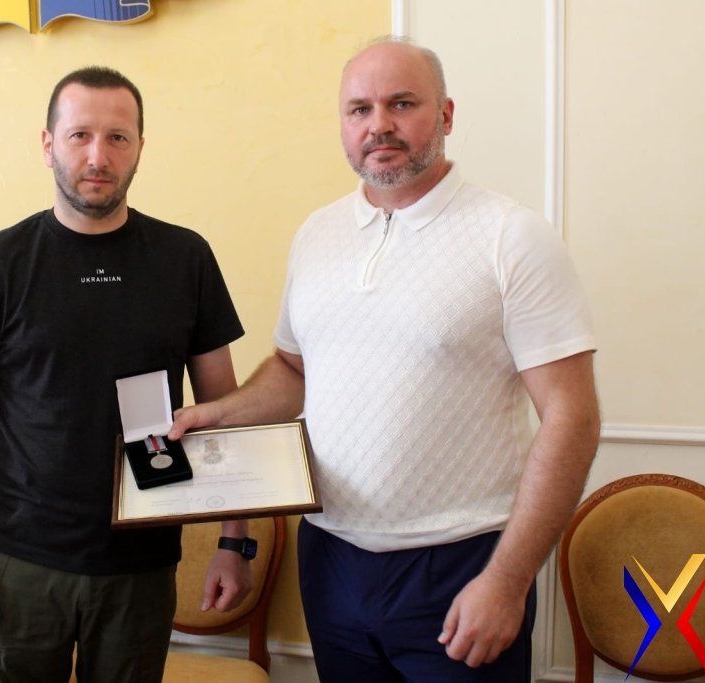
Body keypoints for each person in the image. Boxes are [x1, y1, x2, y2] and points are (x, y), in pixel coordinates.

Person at [169, 37, 601, 682]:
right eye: (359, 109)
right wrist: (220, 414)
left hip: (463, 566)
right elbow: (294, 370)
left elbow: (572, 417)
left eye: (402, 104)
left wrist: (508, 580)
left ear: (445, 114)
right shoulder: (317, 235)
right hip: (331, 557)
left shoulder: (511, 236)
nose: (379, 125)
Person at [0, 66, 253, 683]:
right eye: (79, 135)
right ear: (48, 144)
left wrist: (234, 544)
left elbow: (224, 412)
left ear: (140, 149)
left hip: (142, 565)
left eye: (117, 137)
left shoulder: (186, 259)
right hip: (19, 564)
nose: (98, 156)